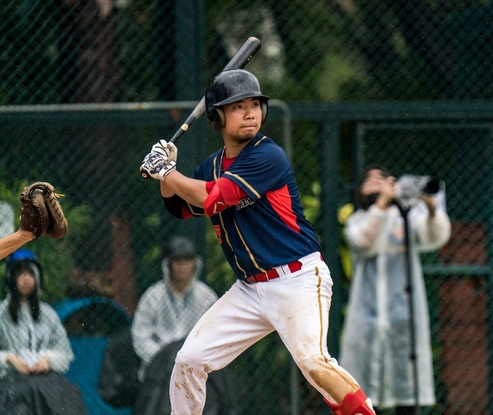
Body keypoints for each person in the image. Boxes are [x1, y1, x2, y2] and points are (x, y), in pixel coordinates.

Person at [139, 69, 377, 415]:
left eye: (255, 104)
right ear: (217, 117)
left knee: (314, 362)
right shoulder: (213, 165)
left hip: (297, 279)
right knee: (189, 359)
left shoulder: (268, 156)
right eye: (237, 107)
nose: (250, 112)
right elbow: (178, 206)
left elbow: (214, 200)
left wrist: (166, 172)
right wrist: (166, 168)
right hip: (250, 290)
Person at [339, 165, 451, 414]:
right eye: (370, 181)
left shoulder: (406, 219)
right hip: (367, 319)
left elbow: (435, 237)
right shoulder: (358, 220)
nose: (378, 184)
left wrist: (431, 206)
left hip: (404, 318)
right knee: (365, 391)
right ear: (360, 191)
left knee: (407, 388)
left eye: (383, 180)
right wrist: (383, 203)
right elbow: (363, 241)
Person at [0, 249, 87, 414]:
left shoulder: (47, 314)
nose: (26, 279)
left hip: (45, 380)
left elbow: (64, 351)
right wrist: (8, 359)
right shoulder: (1, 314)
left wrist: (48, 359)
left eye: (30, 274)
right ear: (11, 278)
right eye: (21, 274)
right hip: (9, 382)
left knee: (65, 396)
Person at [131, 236, 218, 381]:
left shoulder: (207, 297)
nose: (182, 265)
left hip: (196, 369)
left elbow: (215, 334)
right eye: (177, 261)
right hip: (158, 371)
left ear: (195, 264)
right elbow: (140, 335)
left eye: (187, 260)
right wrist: (164, 359)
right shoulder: (153, 296)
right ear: (168, 265)